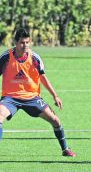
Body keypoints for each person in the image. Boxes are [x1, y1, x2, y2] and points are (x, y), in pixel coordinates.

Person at [0, 28, 76, 157]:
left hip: (32, 98)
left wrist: (55, 96)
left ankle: (66, 149)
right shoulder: (6, 57)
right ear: (16, 43)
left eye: (27, 42)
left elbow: (43, 77)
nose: (25, 46)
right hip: (10, 98)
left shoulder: (34, 58)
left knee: (55, 120)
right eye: (22, 43)